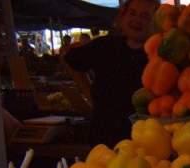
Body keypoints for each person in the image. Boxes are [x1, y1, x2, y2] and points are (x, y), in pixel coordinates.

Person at [64, 0, 157, 144]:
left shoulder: (159, 55)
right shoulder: (105, 46)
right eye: (132, 13)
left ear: (155, 23)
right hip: (104, 133)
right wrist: (87, 91)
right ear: (123, 16)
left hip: (144, 137)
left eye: (145, 16)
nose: (137, 20)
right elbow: (69, 58)